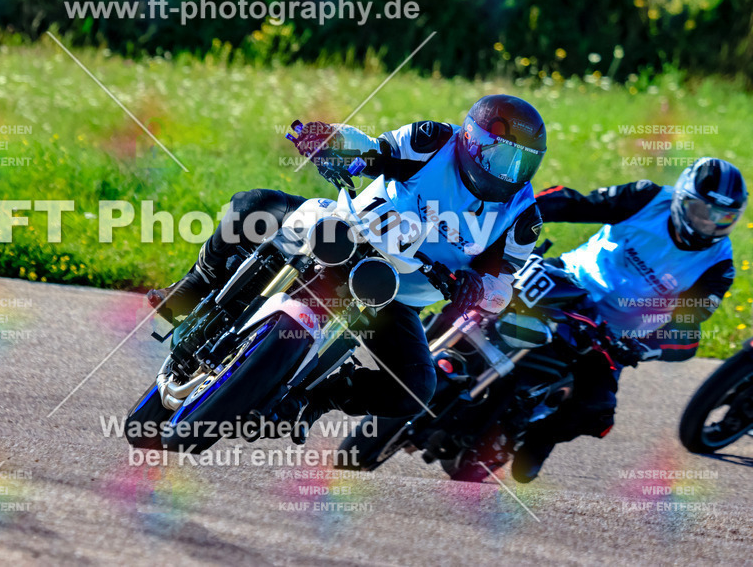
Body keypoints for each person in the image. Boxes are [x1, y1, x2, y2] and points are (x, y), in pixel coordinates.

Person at [147, 94, 547, 442]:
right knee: (253, 205)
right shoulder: (434, 140)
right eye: (502, 157)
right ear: (472, 140)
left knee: (416, 388)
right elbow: (373, 150)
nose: (508, 172)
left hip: (393, 295)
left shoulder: (522, 217)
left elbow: (502, 285)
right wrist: (330, 139)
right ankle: (192, 288)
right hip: (348, 231)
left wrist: (478, 290)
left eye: (521, 164)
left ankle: (316, 399)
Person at [513, 157, 747, 482]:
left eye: (723, 217)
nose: (709, 223)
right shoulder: (646, 197)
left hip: (611, 334)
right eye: (701, 211)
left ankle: (541, 439)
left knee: (596, 410)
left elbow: (686, 327)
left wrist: (639, 347)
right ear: (681, 199)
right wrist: (521, 210)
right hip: (567, 280)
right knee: (487, 293)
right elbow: (577, 204)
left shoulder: (718, 267)